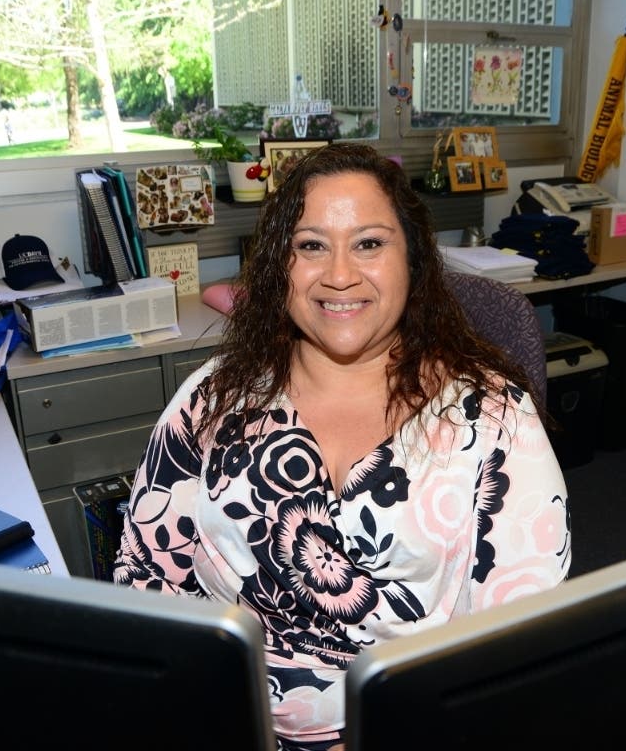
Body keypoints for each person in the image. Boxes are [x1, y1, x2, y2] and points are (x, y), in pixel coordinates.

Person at [114, 143, 571, 750]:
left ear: (414, 260)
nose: (338, 274)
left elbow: (524, 643)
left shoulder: (493, 417)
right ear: (281, 265)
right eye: (311, 245)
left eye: (370, 243)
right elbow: (145, 580)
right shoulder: (213, 399)